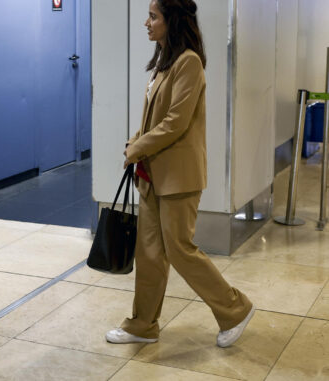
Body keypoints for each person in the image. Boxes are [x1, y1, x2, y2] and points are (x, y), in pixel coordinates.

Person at [105, 0, 255, 348]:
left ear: (172, 21)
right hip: (153, 175)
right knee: (149, 252)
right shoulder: (164, 63)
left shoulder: (188, 62)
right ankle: (143, 325)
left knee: (180, 250)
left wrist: (137, 149)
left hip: (178, 178)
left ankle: (235, 309)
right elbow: (154, 120)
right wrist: (134, 141)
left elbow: (176, 122)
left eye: (153, 17)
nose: (147, 23)